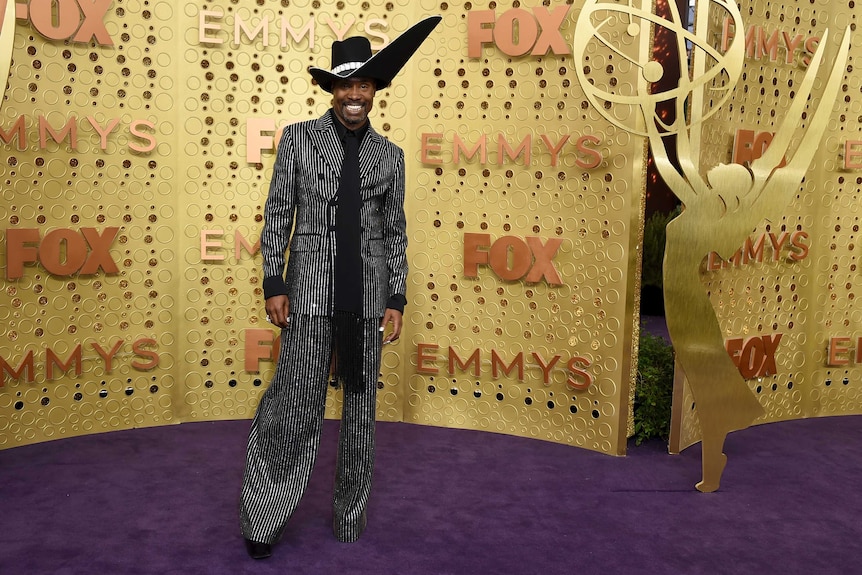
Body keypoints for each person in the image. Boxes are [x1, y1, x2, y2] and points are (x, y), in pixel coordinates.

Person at [238, 16, 441, 560]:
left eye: (364, 84)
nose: (355, 94)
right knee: (295, 405)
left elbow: (395, 231)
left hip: (368, 301)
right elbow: (279, 210)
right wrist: (274, 282)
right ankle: (264, 513)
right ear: (331, 89)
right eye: (345, 84)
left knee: (360, 416)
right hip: (308, 298)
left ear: (376, 91)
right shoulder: (300, 140)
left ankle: (350, 517)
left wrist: (396, 297)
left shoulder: (389, 157)